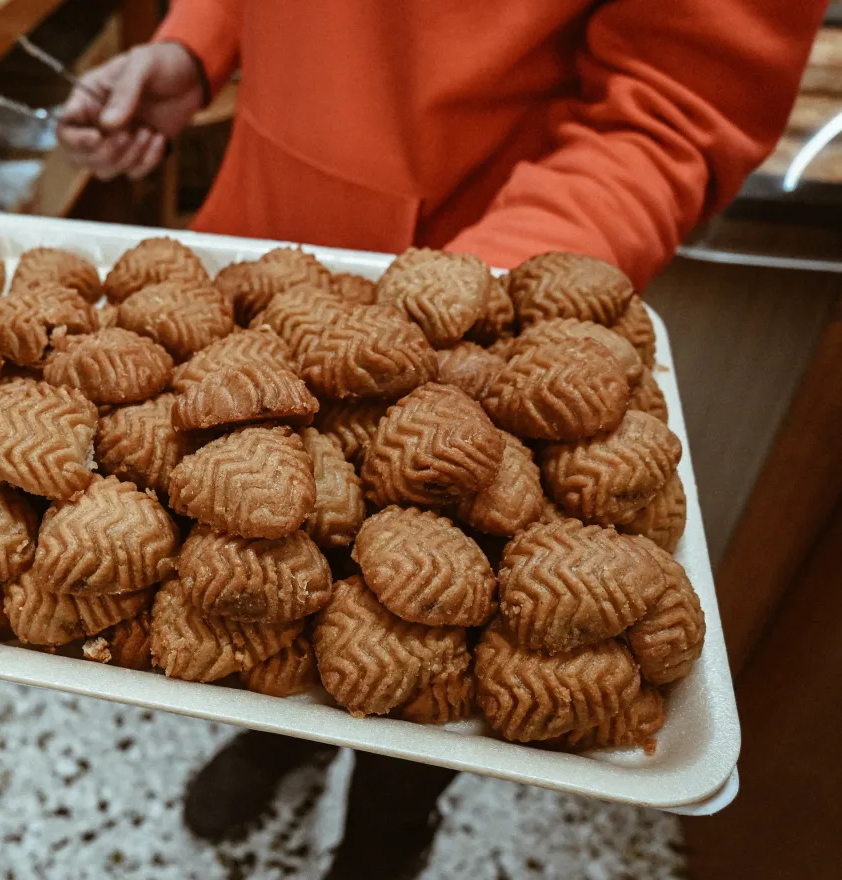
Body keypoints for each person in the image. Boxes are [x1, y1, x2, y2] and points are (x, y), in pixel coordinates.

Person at [58, 2, 826, 876]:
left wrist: (464, 305)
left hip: (489, 286)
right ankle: (283, 738)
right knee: (260, 592)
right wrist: (198, 47)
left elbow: (679, 99)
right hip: (272, 258)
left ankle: (394, 818)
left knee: (440, 654)